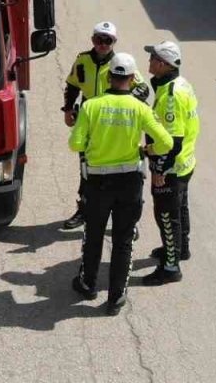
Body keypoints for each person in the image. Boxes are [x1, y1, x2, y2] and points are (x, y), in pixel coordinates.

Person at [69, 53, 173, 315]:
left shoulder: (91, 106)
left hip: (97, 182)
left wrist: (95, 144)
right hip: (129, 182)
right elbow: (166, 143)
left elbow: (75, 144)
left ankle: (87, 284)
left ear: (108, 76)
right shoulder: (140, 108)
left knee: (93, 235)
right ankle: (115, 298)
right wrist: (145, 150)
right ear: (131, 78)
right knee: (123, 240)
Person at [60, 21, 150, 230]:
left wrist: (124, 99)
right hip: (90, 119)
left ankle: (129, 221)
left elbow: (143, 89)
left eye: (107, 40)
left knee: (124, 172)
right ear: (93, 40)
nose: (102, 44)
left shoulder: (121, 63)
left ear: (114, 42)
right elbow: (72, 85)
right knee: (86, 168)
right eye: (99, 39)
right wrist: (67, 110)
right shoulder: (82, 60)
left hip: (115, 122)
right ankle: (84, 210)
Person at [140, 40, 201, 286]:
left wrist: (159, 169)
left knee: (166, 215)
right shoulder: (178, 84)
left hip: (173, 166)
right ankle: (180, 249)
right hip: (185, 163)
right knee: (180, 209)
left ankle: (170, 266)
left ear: (163, 64)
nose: (149, 61)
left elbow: (172, 142)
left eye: (153, 57)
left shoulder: (171, 96)